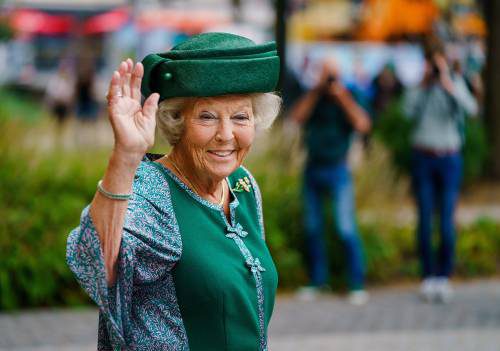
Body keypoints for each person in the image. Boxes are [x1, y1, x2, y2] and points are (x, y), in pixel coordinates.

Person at [66, 32, 281, 350]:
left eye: (240, 117)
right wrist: (125, 156)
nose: (226, 135)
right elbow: (91, 264)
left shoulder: (242, 185)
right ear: (177, 121)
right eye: (206, 117)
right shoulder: (153, 192)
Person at [289, 58, 371, 305]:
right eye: (327, 75)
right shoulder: (313, 96)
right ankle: (318, 281)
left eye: (333, 75)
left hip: (338, 169)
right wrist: (317, 90)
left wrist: (341, 96)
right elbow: (296, 119)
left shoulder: (350, 94)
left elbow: (363, 124)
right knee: (313, 228)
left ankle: (356, 283)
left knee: (345, 228)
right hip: (313, 167)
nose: (329, 80)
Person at [403, 48, 477, 303]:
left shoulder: (453, 84)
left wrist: (448, 84)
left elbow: (471, 109)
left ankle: (443, 275)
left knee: (446, 221)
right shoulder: (420, 88)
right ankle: (427, 276)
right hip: (424, 157)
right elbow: (406, 112)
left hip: (449, 158)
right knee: (424, 219)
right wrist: (423, 86)